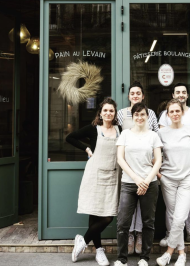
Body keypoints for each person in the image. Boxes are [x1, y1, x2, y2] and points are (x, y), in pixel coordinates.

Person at [66, 98, 121, 266]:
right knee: (95, 213)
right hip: (95, 175)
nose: (108, 113)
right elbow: (71, 137)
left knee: (108, 217)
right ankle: (99, 251)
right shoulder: (93, 129)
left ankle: (82, 241)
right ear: (100, 112)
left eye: (111, 110)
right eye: (105, 110)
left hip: (112, 176)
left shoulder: (120, 130)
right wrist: (86, 148)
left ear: (114, 113)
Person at [158, 83, 190, 248]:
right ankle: (170, 234)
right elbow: (161, 147)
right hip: (170, 171)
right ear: (173, 94)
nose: (181, 94)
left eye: (184, 92)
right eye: (178, 92)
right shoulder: (165, 118)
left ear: (187, 95)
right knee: (171, 208)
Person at [115, 102, 162, 266]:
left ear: (147, 116)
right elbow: (120, 159)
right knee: (123, 223)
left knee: (148, 222)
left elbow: (158, 160)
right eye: (136, 115)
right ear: (133, 117)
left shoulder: (153, 136)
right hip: (129, 184)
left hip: (150, 184)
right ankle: (121, 259)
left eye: (142, 114)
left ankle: (144, 258)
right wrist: (136, 179)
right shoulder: (125, 134)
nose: (140, 117)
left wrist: (147, 181)